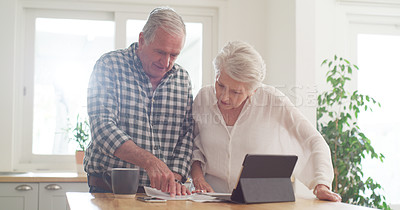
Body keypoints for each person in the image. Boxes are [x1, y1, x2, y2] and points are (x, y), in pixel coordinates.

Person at [190, 41, 342, 202]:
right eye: (220, 85)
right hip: (210, 199)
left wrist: (322, 183)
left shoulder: (272, 100)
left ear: (253, 90)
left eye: (235, 91)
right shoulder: (203, 98)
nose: (224, 97)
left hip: (259, 201)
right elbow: (193, 146)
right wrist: (198, 179)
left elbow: (313, 139)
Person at [84, 6, 194, 197]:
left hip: (162, 195)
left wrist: (173, 178)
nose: (166, 62)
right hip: (109, 190)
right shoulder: (109, 66)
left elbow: (187, 135)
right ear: (142, 40)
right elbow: (102, 127)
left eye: (174, 55)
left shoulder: (182, 79)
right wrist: (150, 161)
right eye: (160, 52)